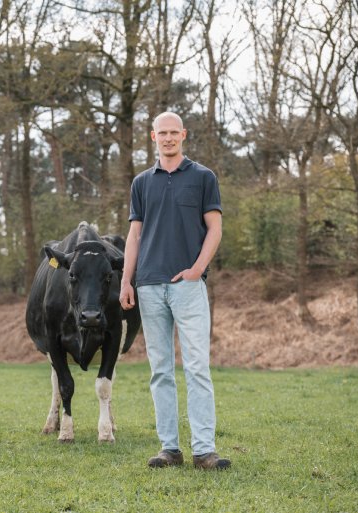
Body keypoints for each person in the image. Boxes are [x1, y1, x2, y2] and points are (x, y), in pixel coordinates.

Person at [119, 112, 230, 470]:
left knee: (197, 367)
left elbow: (214, 228)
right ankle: (169, 449)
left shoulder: (202, 177)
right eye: (161, 133)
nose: (168, 138)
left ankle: (204, 451)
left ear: (183, 135)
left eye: (173, 133)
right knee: (161, 370)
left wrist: (197, 269)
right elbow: (135, 235)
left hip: (188, 285)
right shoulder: (141, 182)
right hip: (149, 285)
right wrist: (126, 280)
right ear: (153, 137)